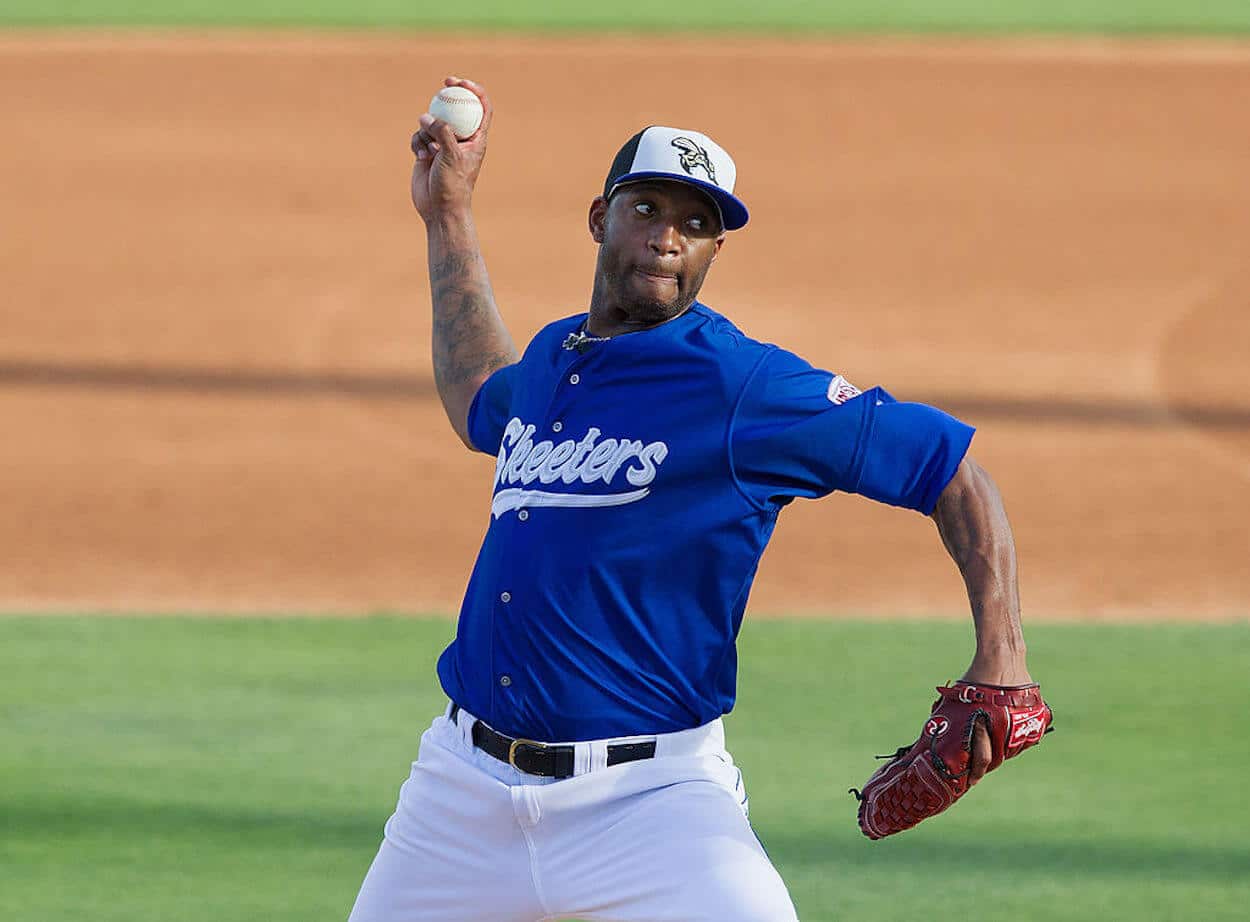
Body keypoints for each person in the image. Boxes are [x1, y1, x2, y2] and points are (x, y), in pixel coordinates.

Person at [347, 76, 1038, 922]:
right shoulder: (553, 358)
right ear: (600, 217)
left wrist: (1002, 660)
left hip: (650, 805)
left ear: (715, 250)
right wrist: (447, 213)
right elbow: (477, 397)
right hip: (458, 795)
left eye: (697, 224)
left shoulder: (744, 385)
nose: (668, 238)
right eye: (647, 211)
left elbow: (949, 467)